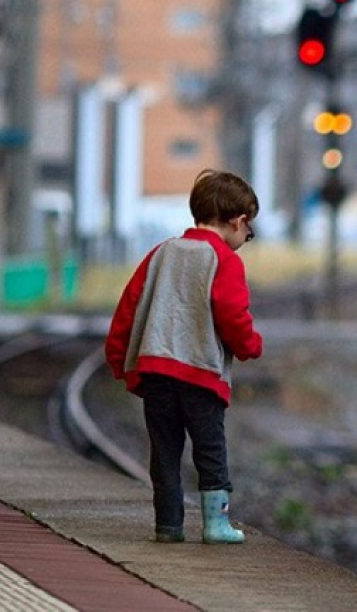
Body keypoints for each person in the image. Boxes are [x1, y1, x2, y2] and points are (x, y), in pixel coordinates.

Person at [105, 168, 263, 544]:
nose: (246, 238)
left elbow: (129, 306)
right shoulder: (224, 260)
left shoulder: (161, 253)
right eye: (249, 232)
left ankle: (168, 526)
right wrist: (250, 344)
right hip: (200, 376)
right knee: (210, 450)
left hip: (156, 372)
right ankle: (215, 525)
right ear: (239, 222)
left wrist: (118, 356)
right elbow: (231, 314)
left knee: (164, 453)